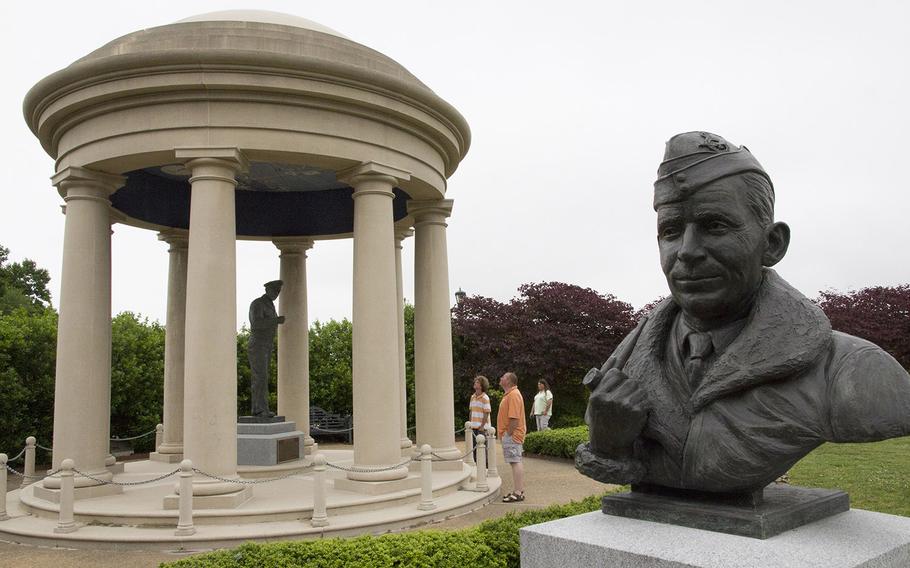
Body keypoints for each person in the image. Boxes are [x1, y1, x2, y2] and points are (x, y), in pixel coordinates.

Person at [577, 131, 910, 495]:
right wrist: (609, 447)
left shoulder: (853, 372)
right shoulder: (625, 363)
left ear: (772, 244)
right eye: (671, 231)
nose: (686, 251)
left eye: (715, 225)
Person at [247, 280, 285, 418]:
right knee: (259, 377)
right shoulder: (257, 304)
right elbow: (256, 324)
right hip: (258, 344)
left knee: (263, 378)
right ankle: (258, 410)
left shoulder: (270, 305)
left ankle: (262, 409)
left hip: (266, 345)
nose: (276, 294)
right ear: (267, 289)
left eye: (278, 291)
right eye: (275, 290)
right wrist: (276, 321)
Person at [497, 371, 527, 502]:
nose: (501, 378)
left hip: (512, 435)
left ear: (509, 381)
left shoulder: (513, 395)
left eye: (503, 377)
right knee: (515, 461)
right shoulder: (511, 394)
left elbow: (514, 418)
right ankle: (518, 490)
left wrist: (507, 434)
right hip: (511, 435)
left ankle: (518, 492)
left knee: (515, 461)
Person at [468, 376, 492, 462]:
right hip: (473, 427)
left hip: (482, 428)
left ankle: (485, 468)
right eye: (475, 382)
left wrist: (482, 426)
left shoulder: (485, 398)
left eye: (477, 382)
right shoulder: (472, 397)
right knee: (474, 448)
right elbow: (471, 411)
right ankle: (476, 466)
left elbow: (486, 412)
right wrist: (470, 423)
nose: (475, 383)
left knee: (482, 449)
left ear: (482, 385)